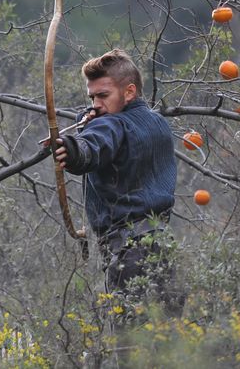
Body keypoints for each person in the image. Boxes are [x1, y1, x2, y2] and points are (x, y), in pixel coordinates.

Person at [53, 49, 178, 304]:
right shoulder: (158, 123)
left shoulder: (112, 124)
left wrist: (73, 150)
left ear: (129, 92)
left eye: (103, 95)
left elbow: (94, 145)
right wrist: (83, 126)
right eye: (92, 98)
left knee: (128, 341)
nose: (96, 105)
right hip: (164, 247)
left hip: (128, 252)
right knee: (167, 337)